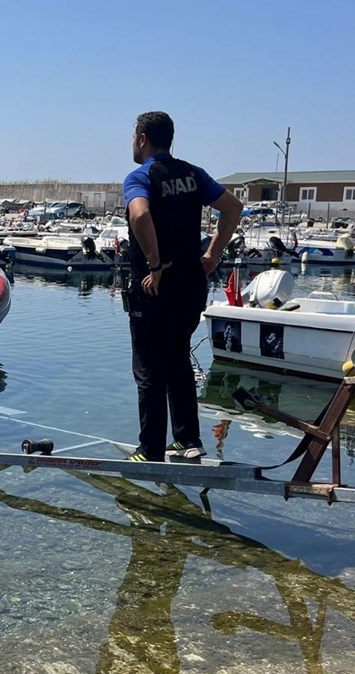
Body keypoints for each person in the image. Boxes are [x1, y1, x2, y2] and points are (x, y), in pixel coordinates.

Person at [123, 111, 242, 462]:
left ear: (142, 139)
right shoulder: (194, 174)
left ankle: (150, 450)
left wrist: (155, 264)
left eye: (133, 136)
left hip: (154, 286)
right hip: (192, 282)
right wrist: (213, 255)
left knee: (149, 368)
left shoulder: (141, 176)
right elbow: (233, 208)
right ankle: (189, 441)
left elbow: (140, 214)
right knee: (178, 359)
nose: (132, 142)